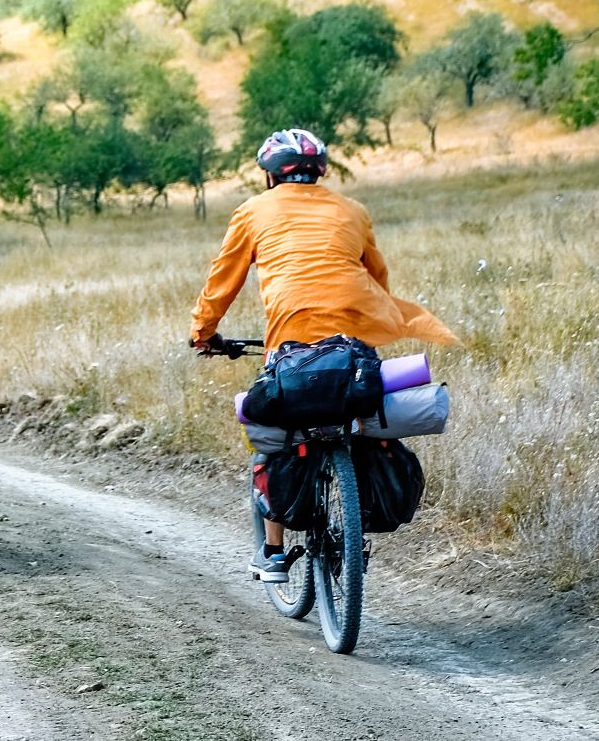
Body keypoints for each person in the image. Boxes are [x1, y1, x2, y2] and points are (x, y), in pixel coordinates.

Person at [189, 128, 456, 583]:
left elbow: (222, 282)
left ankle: (273, 554)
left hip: (289, 348)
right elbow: (377, 278)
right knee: (360, 417)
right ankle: (354, 516)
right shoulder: (353, 210)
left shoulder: (252, 211)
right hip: (353, 348)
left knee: (273, 437)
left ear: (270, 176)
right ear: (321, 172)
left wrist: (204, 334)